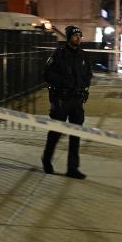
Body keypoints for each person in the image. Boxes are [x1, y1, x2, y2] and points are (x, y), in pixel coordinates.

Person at [41, 25, 92, 179]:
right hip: (61, 100)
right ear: (69, 37)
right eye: (75, 36)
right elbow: (47, 73)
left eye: (80, 36)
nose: (78, 38)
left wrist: (84, 87)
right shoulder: (59, 53)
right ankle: (47, 159)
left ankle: (73, 168)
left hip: (76, 100)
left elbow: (88, 74)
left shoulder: (83, 55)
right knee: (56, 132)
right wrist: (63, 83)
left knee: (75, 134)